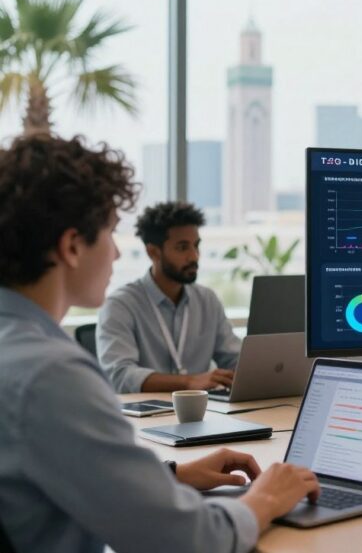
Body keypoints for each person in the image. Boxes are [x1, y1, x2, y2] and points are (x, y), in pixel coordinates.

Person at [0, 134, 319, 552]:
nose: (116, 254)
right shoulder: (51, 374)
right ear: (72, 246)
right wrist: (267, 498)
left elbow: (50, 471)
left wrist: (168, 476)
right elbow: (190, 541)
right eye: (111, 234)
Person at [97, 201, 240, 392]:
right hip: (146, 417)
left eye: (196, 246)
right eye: (182, 248)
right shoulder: (121, 305)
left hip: (203, 413)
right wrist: (189, 382)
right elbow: (120, 375)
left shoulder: (207, 300)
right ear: (153, 252)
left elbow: (234, 359)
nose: (194, 256)